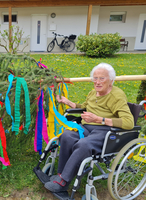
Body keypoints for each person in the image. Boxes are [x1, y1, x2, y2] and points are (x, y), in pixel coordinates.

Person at [44, 63, 134, 194]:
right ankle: (61, 174)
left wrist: (100, 119)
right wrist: (68, 102)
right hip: (86, 127)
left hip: (105, 130)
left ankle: (64, 179)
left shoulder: (116, 96)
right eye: (95, 78)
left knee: (84, 144)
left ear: (111, 81)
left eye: (102, 78)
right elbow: (85, 106)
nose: (97, 82)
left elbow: (129, 122)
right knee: (67, 136)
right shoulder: (93, 92)